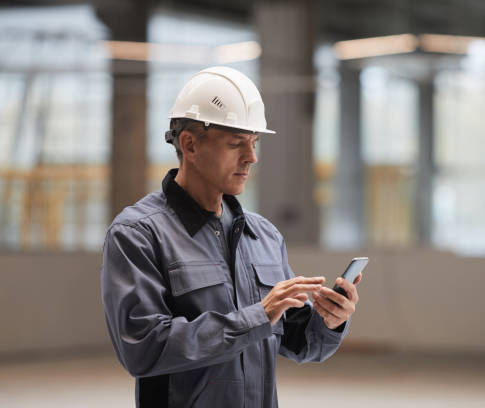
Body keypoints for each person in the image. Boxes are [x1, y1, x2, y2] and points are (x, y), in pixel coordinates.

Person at [101, 66, 362, 408]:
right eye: (236, 144)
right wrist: (257, 316)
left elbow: (300, 342)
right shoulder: (139, 235)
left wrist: (329, 320)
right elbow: (143, 348)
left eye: (254, 143)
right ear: (190, 144)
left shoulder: (263, 236)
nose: (251, 157)